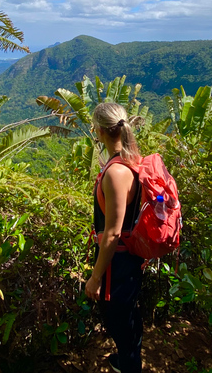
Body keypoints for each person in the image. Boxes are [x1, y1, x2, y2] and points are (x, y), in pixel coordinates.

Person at [84, 102, 144, 373]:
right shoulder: (129, 160)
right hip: (128, 258)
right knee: (126, 315)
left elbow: (112, 233)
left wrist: (95, 278)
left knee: (118, 321)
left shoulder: (116, 172)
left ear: (99, 131)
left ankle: (130, 365)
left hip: (118, 263)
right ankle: (126, 360)